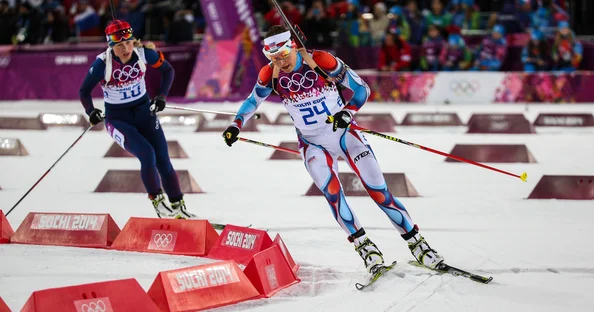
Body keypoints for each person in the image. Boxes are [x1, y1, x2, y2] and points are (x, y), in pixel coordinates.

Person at [222, 25, 444, 275]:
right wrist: (235, 124)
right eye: (273, 58)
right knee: (333, 194)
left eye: (282, 56)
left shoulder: (320, 61)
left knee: (379, 192)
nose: (279, 62)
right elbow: (253, 100)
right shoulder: (270, 74)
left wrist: (347, 113)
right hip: (312, 143)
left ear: (292, 46)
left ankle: (418, 245)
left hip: (344, 134)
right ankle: (366, 249)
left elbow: (362, 89)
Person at [79, 19, 195, 219]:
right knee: (147, 154)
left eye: (128, 42)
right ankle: (159, 203)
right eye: (119, 45)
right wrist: (91, 111)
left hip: (145, 115)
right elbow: (84, 91)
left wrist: (161, 96)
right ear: (110, 45)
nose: (125, 48)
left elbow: (168, 71)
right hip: (118, 120)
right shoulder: (102, 64)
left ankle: (178, 206)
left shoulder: (144, 54)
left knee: (164, 161)